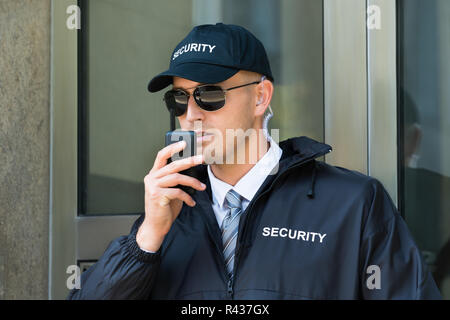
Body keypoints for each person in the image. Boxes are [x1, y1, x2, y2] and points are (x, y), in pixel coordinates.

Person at [68, 23, 441, 300]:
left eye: (209, 95)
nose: (191, 114)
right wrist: (146, 239)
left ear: (260, 97)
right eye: (179, 99)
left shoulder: (353, 202)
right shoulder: (168, 211)